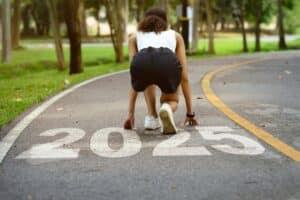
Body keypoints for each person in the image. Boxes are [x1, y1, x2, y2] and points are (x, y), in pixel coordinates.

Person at [124, 7, 198, 134]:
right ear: (165, 22)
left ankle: (152, 118)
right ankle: (167, 107)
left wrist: (130, 114)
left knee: (145, 73)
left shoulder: (134, 37)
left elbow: (134, 75)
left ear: (145, 21)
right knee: (172, 99)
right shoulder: (175, 36)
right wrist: (190, 113)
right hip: (167, 60)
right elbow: (184, 77)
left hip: (143, 62)